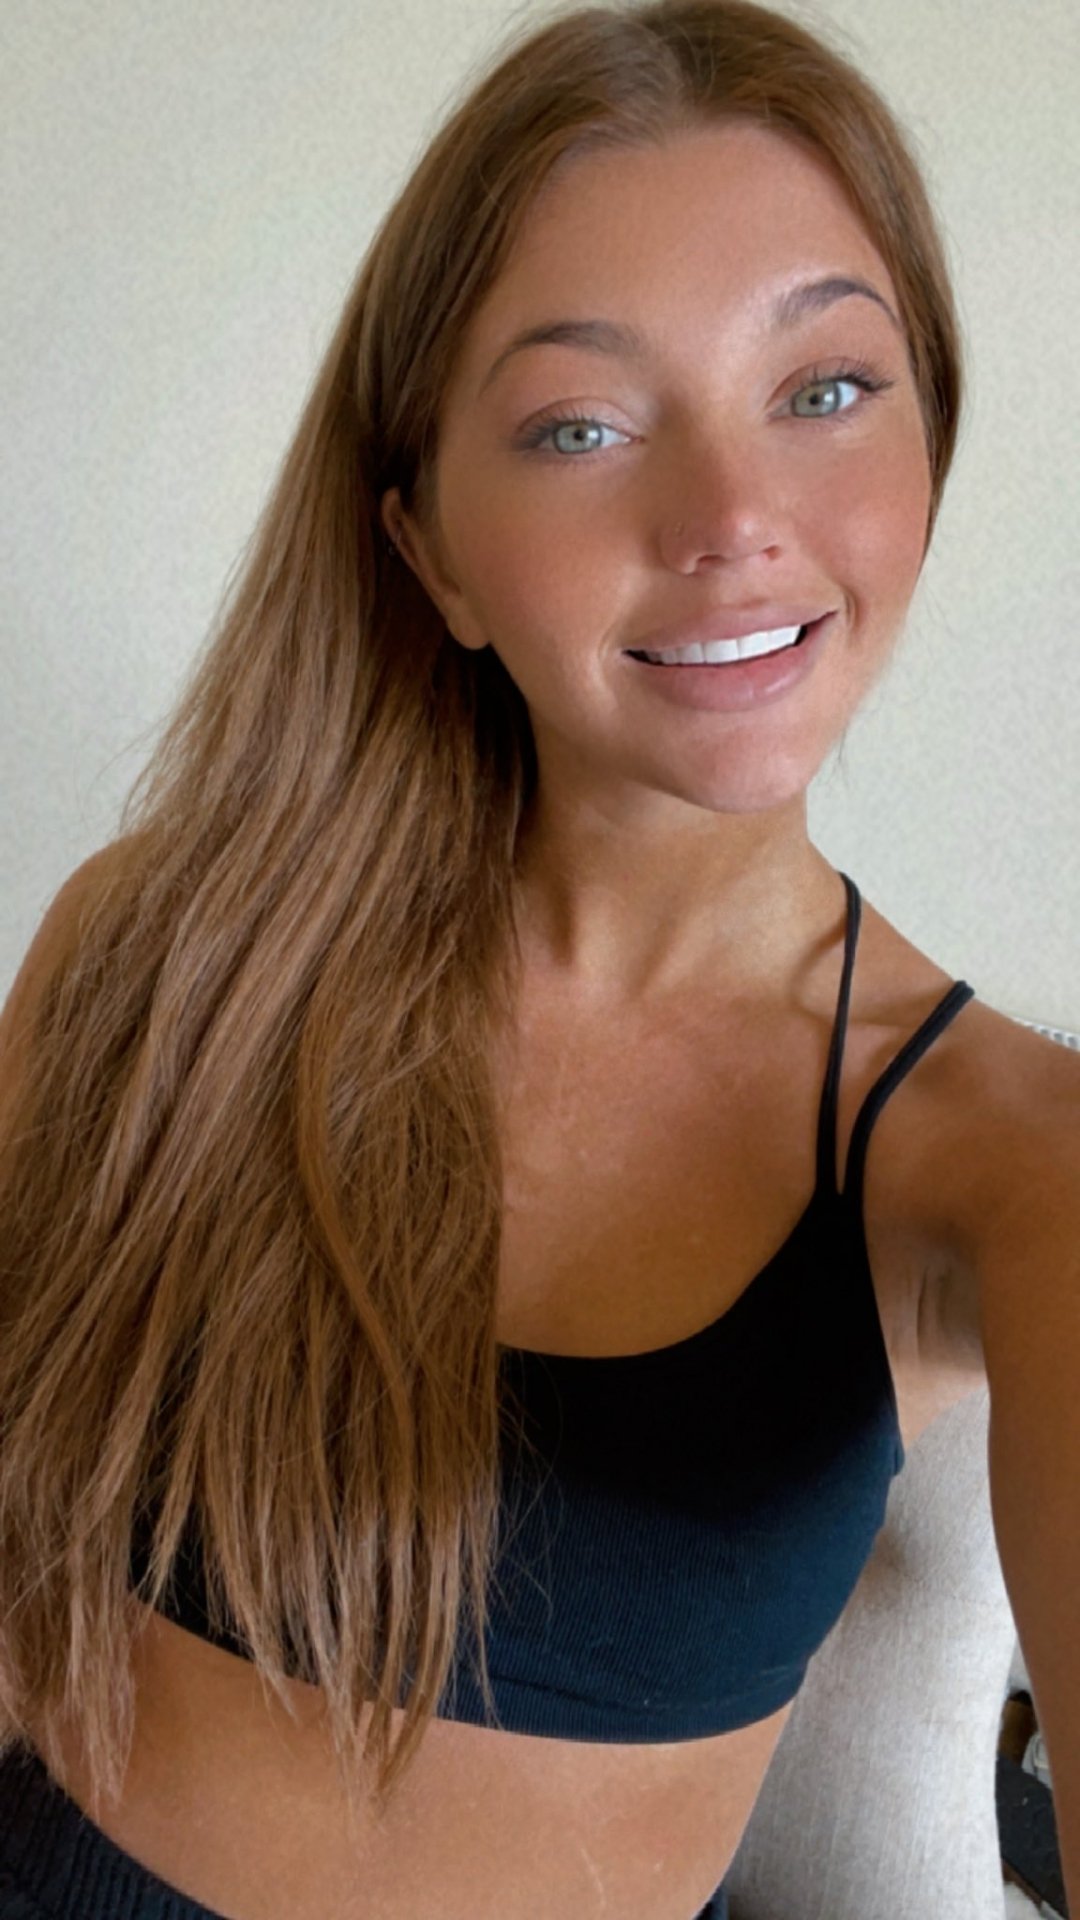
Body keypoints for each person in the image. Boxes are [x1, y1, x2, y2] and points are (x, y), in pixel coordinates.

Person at [1, 3, 1076, 1918]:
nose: (731, 522)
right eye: (582, 424)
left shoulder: (1011, 1161)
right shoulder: (158, 955)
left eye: (827, 385)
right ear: (430, 553)